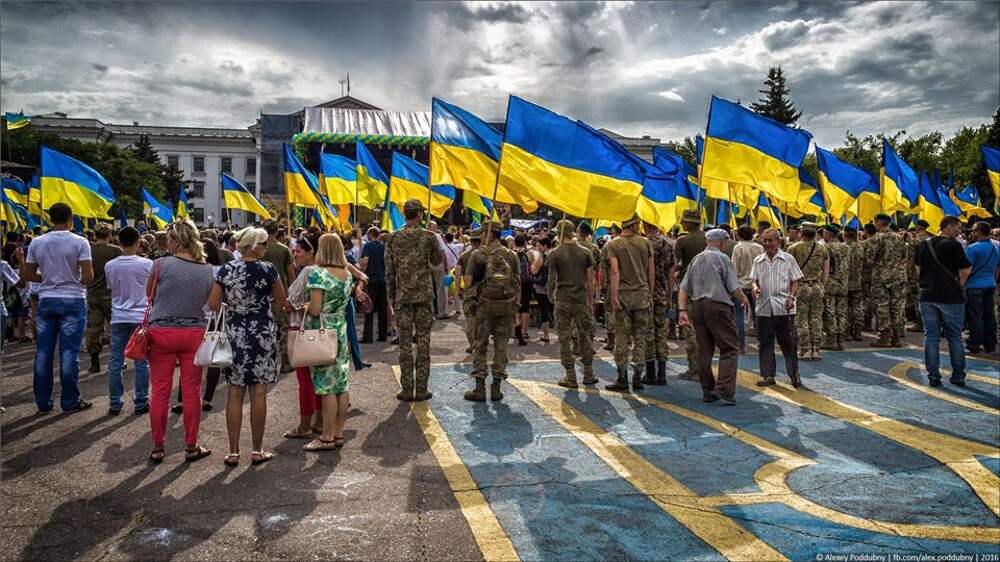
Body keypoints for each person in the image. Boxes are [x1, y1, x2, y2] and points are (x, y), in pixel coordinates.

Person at [207, 227, 286, 466]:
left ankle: (233, 451)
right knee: (259, 392)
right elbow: (281, 301)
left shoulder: (227, 269)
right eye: (263, 243)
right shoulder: (268, 269)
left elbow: (213, 304)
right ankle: (257, 449)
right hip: (261, 332)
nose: (266, 248)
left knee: (235, 391)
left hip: (235, 333)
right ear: (254, 246)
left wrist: (234, 306)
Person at [146, 219, 214, 463]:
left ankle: (157, 446)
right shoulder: (207, 269)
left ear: (175, 240)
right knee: (192, 391)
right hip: (193, 332)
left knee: (160, 391)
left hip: (161, 332)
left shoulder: (160, 265)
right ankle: (191, 445)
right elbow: (206, 300)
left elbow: (149, 294)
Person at [22, 203, 95, 414]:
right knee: (69, 352)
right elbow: (88, 276)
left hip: (46, 299)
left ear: (50, 219)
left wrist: (48, 279)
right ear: (70, 218)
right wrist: (72, 279)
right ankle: (70, 400)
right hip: (73, 299)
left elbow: (28, 274)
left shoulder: (37, 242)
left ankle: (43, 402)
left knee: (43, 352)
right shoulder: (80, 241)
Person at [677, 229, 749, 404]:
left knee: (705, 349)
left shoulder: (696, 259)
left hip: (697, 306)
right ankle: (724, 389)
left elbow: (683, 287)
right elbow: (733, 287)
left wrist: (682, 310)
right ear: (722, 242)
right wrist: (744, 299)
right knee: (730, 347)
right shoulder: (722, 258)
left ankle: (707, 390)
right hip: (717, 305)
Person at [301, 233, 354, 451]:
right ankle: (339, 432)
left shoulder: (319, 274)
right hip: (340, 328)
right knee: (342, 382)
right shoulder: (347, 274)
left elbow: (315, 309)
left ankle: (327, 436)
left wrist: (303, 307)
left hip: (322, 331)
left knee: (326, 385)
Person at [386, 200, 443, 401]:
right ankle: (421, 389)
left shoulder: (393, 237)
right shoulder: (429, 236)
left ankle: (407, 389)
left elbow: (389, 270)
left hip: (403, 296)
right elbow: (437, 261)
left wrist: (391, 296)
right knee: (423, 343)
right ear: (419, 214)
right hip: (424, 296)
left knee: (405, 345)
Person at [464, 221, 520, 401]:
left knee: (480, 345)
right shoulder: (511, 255)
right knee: (501, 346)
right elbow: (517, 283)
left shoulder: (477, 254)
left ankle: (480, 388)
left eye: (482, 233)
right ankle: (496, 388)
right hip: (506, 307)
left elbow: (468, 282)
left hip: (484, 307)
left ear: (487, 234)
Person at [914, 215, 972, 387]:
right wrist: (959, 285)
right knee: (954, 337)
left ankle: (933, 375)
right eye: (958, 227)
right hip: (950, 297)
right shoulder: (954, 245)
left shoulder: (922, 245)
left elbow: (918, 268)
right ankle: (958, 375)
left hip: (927, 295)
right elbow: (966, 269)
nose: (960, 231)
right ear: (948, 227)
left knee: (931, 337)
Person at [103, 226, 152, 415]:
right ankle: (141, 401)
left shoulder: (110, 265)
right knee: (141, 361)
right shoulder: (147, 264)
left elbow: (111, 288)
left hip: (118, 316)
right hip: (140, 317)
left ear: (119, 242)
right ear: (138, 242)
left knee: (115, 362)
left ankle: (115, 402)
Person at [605, 215, 653, 392]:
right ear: (633, 225)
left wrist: (614, 296)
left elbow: (615, 272)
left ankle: (622, 378)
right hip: (642, 295)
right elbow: (651, 271)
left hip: (623, 295)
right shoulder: (645, 243)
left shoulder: (613, 244)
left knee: (621, 338)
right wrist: (650, 293)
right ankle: (638, 377)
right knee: (640, 338)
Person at [750, 229, 802, 388]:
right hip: (764, 308)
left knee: (788, 343)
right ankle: (768, 375)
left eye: (770, 240)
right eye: (764, 240)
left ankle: (794, 374)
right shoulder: (758, 260)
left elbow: (795, 281)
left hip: (784, 308)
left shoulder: (788, 259)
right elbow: (754, 280)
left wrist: (791, 297)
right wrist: (755, 288)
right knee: (765, 343)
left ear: (777, 241)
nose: (767, 243)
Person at [547, 220, 596, 388]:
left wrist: (550, 296)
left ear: (560, 233)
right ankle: (588, 373)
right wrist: (591, 301)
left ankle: (570, 375)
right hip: (581, 299)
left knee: (564, 338)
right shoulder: (586, 252)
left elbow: (551, 279)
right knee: (585, 336)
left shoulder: (554, 254)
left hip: (562, 300)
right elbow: (590, 280)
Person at [283, 234, 323, 439]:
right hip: (319, 330)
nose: (295, 254)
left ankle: (304, 425)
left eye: (298, 251)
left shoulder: (308, 271)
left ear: (310, 252)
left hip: (302, 328)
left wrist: (288, 305)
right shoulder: (325, 270)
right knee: (318, 379)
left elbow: (292, 302)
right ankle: (320, 421)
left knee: (305, 379)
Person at [787, 222, 829, 361]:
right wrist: (822, 285)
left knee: (801, 319)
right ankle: (816, 350)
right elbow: (826, 271)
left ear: (801, 232)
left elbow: (788, 271)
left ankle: (805, 350)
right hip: (817, 286)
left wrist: (790, 291)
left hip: (800, 287)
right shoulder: (822, 249)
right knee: (816, 318)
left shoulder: (793, 248)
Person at [84, 224, 122, 373]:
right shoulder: (116, 251)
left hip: (93, 294)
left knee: (93, 329)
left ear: (95, 235)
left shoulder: (89, 250)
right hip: (111, 294)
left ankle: (95, 362)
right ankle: (117, 360)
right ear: (110, 235)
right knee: (115, 329)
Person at [674, 209, 707, 379]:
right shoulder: (708, 239)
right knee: (705, 331)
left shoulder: (682, 241)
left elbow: (677, 265)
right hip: (708, 289)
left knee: (690, 330)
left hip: (688, 290)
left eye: (683, 220)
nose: (681, 223)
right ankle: (705, 367)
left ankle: (694, 368)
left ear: (689, 222)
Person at [260, 219, 295, 373]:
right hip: (282, 295)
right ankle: (286, 362)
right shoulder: (284, 249)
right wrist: (291, 295)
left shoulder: (258, 250)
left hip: (262, 296)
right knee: (285, 330)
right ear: (276, 231)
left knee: (265, 330)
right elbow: (291, 274)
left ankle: (266, 364)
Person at [867, 214, 907, 347]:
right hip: (897, 276)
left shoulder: (877, 238)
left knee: (882, 306)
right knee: (897, 306)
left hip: (881, 277)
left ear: (878, 223)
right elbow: (903, 257)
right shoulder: (899, 237)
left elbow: (870, 259)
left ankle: (884, 337)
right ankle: (897, 337)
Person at [643, 220, 674, 385]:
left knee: (648, 332)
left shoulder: (643, 244)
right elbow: (671, 273)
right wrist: (669, 296)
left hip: (646, 294)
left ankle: (650, 373)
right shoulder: (667, 245)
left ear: (645, 225)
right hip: (662, 293)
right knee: (661, 333)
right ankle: (662, 373)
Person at [964, 221, 998, 354]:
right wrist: (993, 280)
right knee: (989, 315)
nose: (972, 233)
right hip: (990, 284)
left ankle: (974, 344)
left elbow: (967, 268)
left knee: (976, 316)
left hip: (975, 285)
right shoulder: (996, 247)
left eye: (973, 230)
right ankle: (990, 345)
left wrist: (962, 283)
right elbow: (998, 268)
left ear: (979, 232)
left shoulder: (973, 248)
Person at [731, 225, 764, 353]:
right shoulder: (759, 248)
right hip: (756, 286)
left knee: (739, 316)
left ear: (739, 235)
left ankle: (741, 346)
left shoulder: (738, 248)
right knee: (758, 316)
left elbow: (734, 269)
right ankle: (761, 342)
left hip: (741, 285)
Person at [821, 225, 850, 351]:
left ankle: (831, 339)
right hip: (843, 283)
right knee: (841, 313)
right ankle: (840, 340)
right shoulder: (846, 247)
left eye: (824, 233)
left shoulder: (826, 248)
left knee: (830, 312)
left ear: (828, 234)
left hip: (830, 284)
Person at [456, 228, 483, 354]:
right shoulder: (486, 255)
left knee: (470, 319)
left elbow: (457, 275)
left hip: (469, 291)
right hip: (484, 291)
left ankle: (472, 344)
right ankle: (481, 343)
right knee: (482, 319)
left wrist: (458, 290)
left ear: (471, 241)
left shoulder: (463, 256)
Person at [359, 226, 388, 343]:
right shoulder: (383, 246)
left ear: (370, 235)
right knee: (383, 309)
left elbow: (365, 261)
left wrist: (362, 273)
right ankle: (383, 335)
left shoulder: (368, 246)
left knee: (369, 307)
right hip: (383, 279)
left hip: (371, 279)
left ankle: (368, 336)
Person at [844, 226, 865, 341]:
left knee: (845, 307)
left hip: (845, 282)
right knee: (857, 307)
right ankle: (858, 331)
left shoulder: (843, 247)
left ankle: (847, 331)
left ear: (845, 235)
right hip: (857, 281)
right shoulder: (860, 247)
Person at [530, 237, 552, 343]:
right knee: (554, 310)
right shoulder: (554, 254)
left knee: (544, 311)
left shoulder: (541, 256)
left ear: (545, 246)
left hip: (542, 287)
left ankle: (546, 335)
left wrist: (531, 267)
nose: (537, 248)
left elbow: (534, 271)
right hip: (553, 287)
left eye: (539, 246)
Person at [513, 234, 533, 345]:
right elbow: (531, 268)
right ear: (524, 242)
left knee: (515, 306)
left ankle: (516, 330)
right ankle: (525, 331)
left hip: (515, 283)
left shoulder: (511, 253)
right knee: (525, 307)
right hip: (526, 283)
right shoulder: (528, 253)